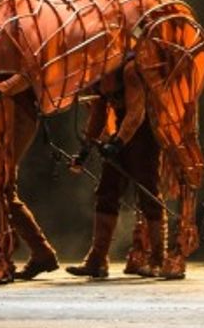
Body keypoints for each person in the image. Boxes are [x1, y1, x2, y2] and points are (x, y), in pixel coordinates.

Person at [64, 74, 172, 280]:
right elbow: (98, 114)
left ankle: (158, 259)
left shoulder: (130, 69)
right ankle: (97, 259)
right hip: (122, 132)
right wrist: (84, 153)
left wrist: (118, 143)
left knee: (148, 192)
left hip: (145, 132)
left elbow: (136, 112)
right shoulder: (100, 72)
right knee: (106, 191)